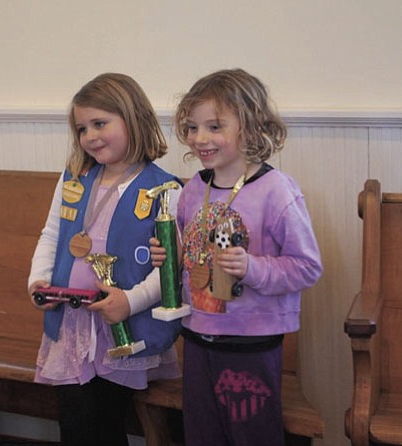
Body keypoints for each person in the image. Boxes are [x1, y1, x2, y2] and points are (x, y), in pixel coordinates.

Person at [150, 68, 323, 446]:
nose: (200, 139)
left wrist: (252, 267)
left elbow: (307, 267)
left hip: (251, 344)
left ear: (250, 126)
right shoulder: (195, 188)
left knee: (252, 436)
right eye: (192, 128)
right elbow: (192, 252)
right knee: (201, 435)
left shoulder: (277, 191)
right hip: (196, 336)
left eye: (214, 126)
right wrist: (171, 256)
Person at [28, 72, 182, 446]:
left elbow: (171, 271)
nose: (90, 136)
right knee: (75, 423)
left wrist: (129, 302)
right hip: (72, 327)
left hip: (122, 330)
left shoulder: (165, 188)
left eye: (100, 123)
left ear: (132, 119)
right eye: (82, 128)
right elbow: (52, 234)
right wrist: (38, 281)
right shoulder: (74, 179)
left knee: (107, 423)